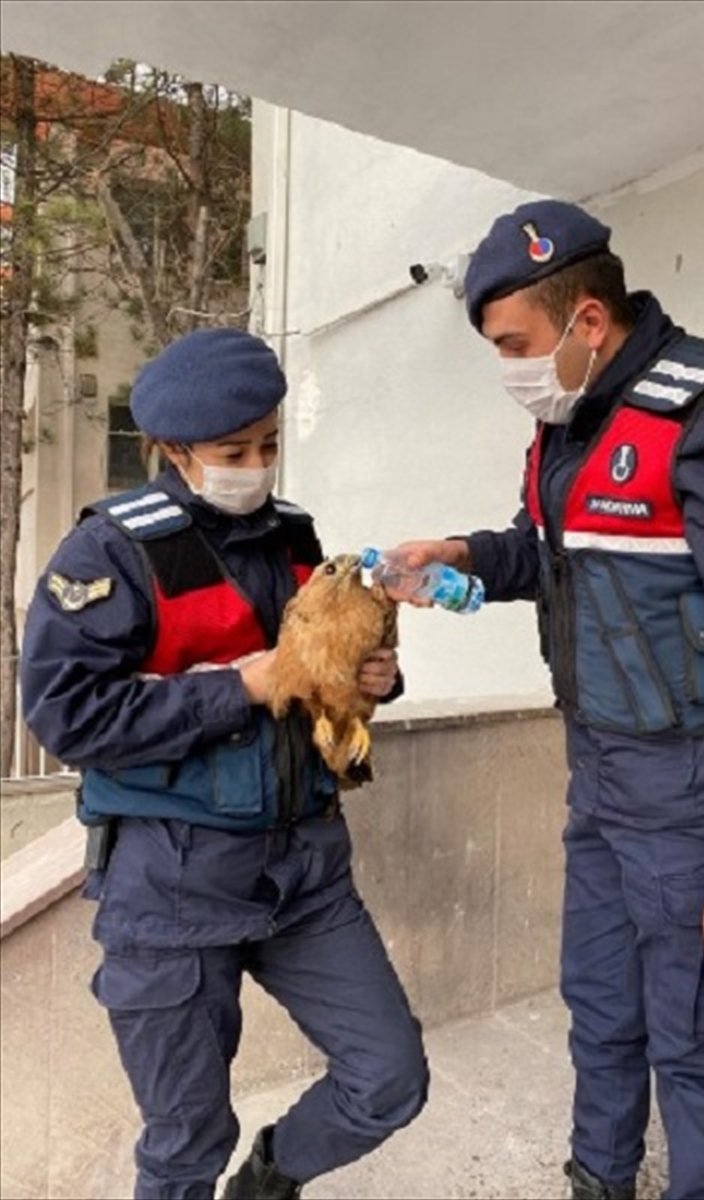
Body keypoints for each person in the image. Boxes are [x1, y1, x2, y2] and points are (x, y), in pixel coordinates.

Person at [390, 200, 704, 1200]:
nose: (509, 369)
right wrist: (464, 555)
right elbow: (548, 552)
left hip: (693, 795)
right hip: (599, 778)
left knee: (694, 1051)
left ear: (588, 321)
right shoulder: (571, 420)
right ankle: (597, 1181)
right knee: (600, 1012)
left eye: (516, 346)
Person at [20, 327, 428, 1200]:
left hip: (303, 875)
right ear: (173, 452)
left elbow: (321, 666)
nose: (257, 463)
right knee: (185, 1143)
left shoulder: (292, 536)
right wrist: (238, 689)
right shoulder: (110, 553)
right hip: (172, 885)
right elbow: (66, 716)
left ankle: (270, 1181)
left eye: (270, 444)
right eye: (233, 451)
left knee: (390, 1077)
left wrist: (372, 680)